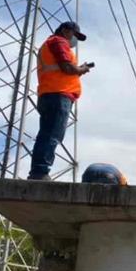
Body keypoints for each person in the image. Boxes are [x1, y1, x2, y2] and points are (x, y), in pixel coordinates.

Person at [28, 21, 91, 180]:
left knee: (47, 134)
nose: (74, 40)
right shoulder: (58, 41)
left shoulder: (50, 44)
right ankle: (40, 172)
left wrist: (78, 70)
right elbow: (67, 67)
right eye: (74, 35)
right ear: (65, 30)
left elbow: (62, 68)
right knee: (51, 135)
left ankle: (38, 171)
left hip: (51, 94)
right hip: (58, 95)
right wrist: (81, 69)